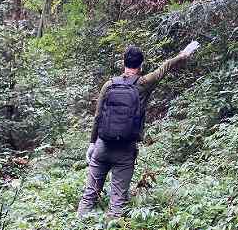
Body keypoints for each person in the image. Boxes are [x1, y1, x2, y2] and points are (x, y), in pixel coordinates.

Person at [77, 41, 199, 217]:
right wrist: (183, 55)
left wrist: (91, 143)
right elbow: (164, 68)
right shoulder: (143, 83)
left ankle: (79, 228)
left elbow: (97, 117)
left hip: (102, 146)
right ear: (141, 65)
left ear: (123, 62)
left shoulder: (109, 85)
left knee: (89, 196)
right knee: (118, 201)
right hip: (125, 150)